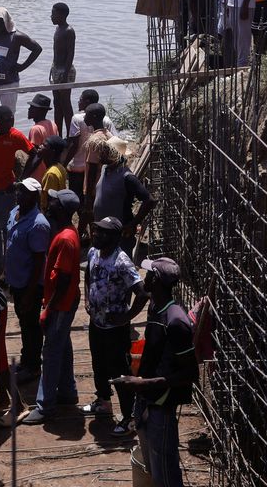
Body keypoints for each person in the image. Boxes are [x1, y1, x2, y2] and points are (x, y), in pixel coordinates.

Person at [113, 258, 198, 487]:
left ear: (157, 280)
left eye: (149, 273)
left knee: (166, 471)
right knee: (152, 466)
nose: (144, 276)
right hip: (146, 399)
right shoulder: (155, 308)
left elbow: (190, 374)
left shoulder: (176, 321)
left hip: (161, 403)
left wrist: (144, 384)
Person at [20, 189, 82, 425]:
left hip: (61, 303)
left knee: (52, 352)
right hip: (65, 300)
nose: (49, 202)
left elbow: (63, 278)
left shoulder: (65, 238)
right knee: (62, 345)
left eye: (54, 201)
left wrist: (48, 309)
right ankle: (68, 391)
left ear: (62, 208)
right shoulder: (65, 233)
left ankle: (45, 406)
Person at [82, 216, 147, 437]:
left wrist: (127, 317)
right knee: (98, 364)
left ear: (114, 237)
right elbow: (88, 276)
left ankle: (128, 418)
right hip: (96, 323)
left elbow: (142, 292)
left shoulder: (122, 261)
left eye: (102, 232)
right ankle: (103, 401)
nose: (96, 235)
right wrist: (87, 300)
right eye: (96, 230)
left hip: (115, 329)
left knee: (120, 372)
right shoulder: (93, 252)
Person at [0, 105, 40, 249]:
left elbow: (35, 154)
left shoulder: (15, 135)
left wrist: (21, 179)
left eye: (12, 119)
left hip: (6, 192)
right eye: (7, 120)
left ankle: (10, 261)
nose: (11, 123)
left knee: (8, 228)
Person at [6, 178, 50, 384]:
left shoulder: (38, 224)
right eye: (19, 190)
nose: (19, 194)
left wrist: (30, 293)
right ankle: (26, 359)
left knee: (31, 325)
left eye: (24, 192)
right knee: (24, 324)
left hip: (29, 284)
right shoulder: (14, 212)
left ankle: (33, 366)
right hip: (16, 280)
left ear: (34, 196)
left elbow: (39, 261)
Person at [87, 137, 156, 263]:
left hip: (118, 235)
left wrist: (132, 224)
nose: (101, 153)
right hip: (103, 231)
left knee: (119, 267)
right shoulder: (105, 169)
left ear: (114, 155)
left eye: (105, 151)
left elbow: (150, 200)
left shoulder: (127, 177)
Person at [0, 6, 42, 114]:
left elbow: (37, 49)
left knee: (7, 115)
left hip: (9, 83)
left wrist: (22, 67)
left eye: (2, 22)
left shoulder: (17, 36)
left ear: (7, 21)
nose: (0, 25)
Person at [65, 100, 114, 200]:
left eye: (87, 115)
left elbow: (92, 169)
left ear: (93, 117)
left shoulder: (94, 141)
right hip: (104, 184)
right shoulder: (108, 134)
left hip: (94, 189)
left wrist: (88, 196)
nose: (84, 117)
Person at [49, 1, 76, 135]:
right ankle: (58, 134)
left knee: (65, 103)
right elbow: (56, 52)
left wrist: (65, 74)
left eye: (53, 14)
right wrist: (52, 69)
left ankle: (71, 134)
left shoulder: (68, 30)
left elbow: (70, 53)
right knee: (56, 103)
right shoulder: (57, 29)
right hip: (56, 69)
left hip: (66, 70)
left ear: (61, 15)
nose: (51, 16)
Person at [37, 136, 69, 211]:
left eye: (44, 146)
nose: (40, 146)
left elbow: (50, 202)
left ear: (52, 151)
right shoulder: (60, 167)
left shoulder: (51, 174)